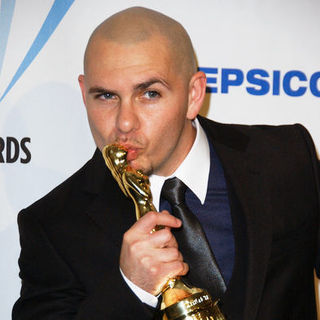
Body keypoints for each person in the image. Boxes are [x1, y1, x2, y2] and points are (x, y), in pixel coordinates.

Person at [12, 6, 320, 320]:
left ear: (193, 94)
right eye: (106, 96)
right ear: (84, 93)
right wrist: (132, 289)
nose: (125, 123)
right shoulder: (54, 225)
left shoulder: (287, 159)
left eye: (149, 94)